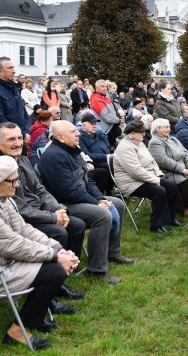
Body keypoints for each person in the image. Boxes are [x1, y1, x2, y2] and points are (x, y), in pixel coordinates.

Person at [37, 121, 132, 284]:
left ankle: (112, 252)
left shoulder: (73, 151)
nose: (78, 133)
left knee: (118, 204)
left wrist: (100, 198)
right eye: (73, 131)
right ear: (60, 137)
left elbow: (89, 181)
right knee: (102, 215)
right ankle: (96, 269)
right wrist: (96, 203)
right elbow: (67, 192)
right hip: (64, 205)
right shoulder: (54, 156)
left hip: (79, 199)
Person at [0, 155, 79, 350]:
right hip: (3, 268)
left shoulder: (5, 200)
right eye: (12, 181)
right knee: (54, 271)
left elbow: (24, 230)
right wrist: (55, 256)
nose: (17, 185)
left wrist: (58, 249)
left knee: (55, 264)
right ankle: (17, 332)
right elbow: (13, 244)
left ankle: (35, 317)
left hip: (9, 260)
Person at [113, 120, 184, 233]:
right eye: (141, 132)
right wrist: (154, 179)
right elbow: (135, 171)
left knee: (171, 186)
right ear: (132, 134)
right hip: (131, 183)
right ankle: (156, 225)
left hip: (145, 178)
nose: (144, 134)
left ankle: (171, 217)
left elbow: (152, 161)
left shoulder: (139, 143)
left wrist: (158, 173)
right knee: (159, 191)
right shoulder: (125, 147)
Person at [148, 118, 188, 218]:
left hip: (184, 168)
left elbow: (186, 153)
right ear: (157, 129)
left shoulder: (172, 139)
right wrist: (182, 169)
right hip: (169, 172)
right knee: (186, 182)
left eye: (169, 127)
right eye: (166, 127)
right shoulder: (155, 142)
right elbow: (163, 160)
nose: (169, 129)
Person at [0, 57, 28, 136]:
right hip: (7, 137)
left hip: (22, 136)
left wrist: (26, 131)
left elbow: (24, 113)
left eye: (13, 67)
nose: (14, 71)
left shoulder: (15, 88)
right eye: (9, 68)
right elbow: (1, 118)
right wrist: (20, 134)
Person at [90, 79, 121, 147]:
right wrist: (119, 120)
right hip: (106, 131)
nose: (105, 88)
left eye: (105, 86)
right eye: (102, 86)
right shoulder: (96, 100)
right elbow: (107, 117)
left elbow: (112, 112)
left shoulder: (105, 97)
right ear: (96, 88)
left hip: (111, 127)